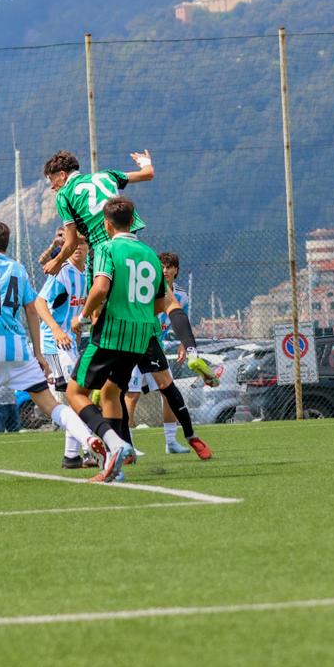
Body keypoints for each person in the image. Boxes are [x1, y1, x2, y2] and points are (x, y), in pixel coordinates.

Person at [0, 220, 105, 485]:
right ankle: (88, 438)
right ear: (5, 244)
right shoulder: (18, 268)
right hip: (19, 350)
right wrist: (38, 353)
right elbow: (32, 309)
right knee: (50, 403)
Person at [67, 198, 203, 483]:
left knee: (74, 393)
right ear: (132, 222)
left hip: (111, 333)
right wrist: (136, 312)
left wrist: (83, 316)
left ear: (107, 225)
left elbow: (100, 288)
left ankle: (114, 443)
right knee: (110, 393)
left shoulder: (106, 248)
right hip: (141, 337)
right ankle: (114, 469)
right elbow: (159, 304)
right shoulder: (151, 255)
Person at [121, 250, 212, 459]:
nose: (165, 270)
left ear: (176, 271)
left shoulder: (181, 296)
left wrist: (184, 344)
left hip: (156, 347)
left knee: (168, 391)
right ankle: (128, 444)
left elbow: (181, 319)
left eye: (169, 267)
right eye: (161, 267)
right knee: (132, 394)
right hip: (135, 344)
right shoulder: (147, 288)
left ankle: (171, 441)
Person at [32, 227, 95, 468]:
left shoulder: (87, 273)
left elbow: (75, 310)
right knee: (77, 395)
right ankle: (88, 450)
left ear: (88, 247)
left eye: (82, 243)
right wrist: (57, 330)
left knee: (77, 397)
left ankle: (72, 456)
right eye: (74, 243)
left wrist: (76, 326)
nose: (78, 247)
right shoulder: (63, 272)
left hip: (69, 343)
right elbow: (39, 303)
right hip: (54, 343)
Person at [41, 148, 154, 276]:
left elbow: (71, 243)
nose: (52, 186)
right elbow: (148, 173)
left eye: (52, 179)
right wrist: (144, 161)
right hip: (130, 241)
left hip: (102, 247)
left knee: (98, 287)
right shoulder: (107, 175)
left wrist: (56, 262)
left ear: (62, 175)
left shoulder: (63, 195)